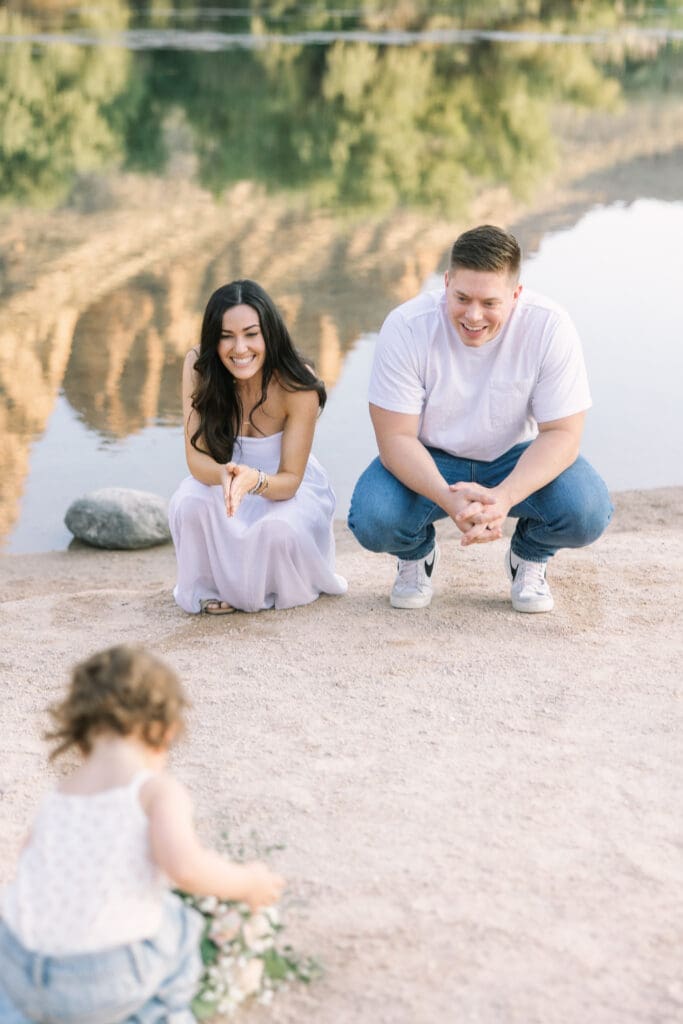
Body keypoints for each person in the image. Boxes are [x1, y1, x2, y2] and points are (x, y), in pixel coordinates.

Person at [0, 644, 284, 1023]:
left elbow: (29, 863)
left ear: (79, 733)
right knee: (178, 922)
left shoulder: (60, 794)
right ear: (165, 731)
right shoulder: (154, 791)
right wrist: (249, 883)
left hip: (17, 965)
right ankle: (165, 1014)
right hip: (101, 976)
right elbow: (186, 868)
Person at [348, 224, 613, 613]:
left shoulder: (549, 326)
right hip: (430, 456)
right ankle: (416, 554)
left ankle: (529, 555)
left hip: (515, 457)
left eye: (490, 302)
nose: (473, 316)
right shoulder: (406, 326)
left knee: (587, 510)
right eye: (461, 298)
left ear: (515, 295)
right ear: (446, 282)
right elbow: (396, 439)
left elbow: (562, 434)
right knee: (373, 518)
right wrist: (447, 498)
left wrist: (504, 498)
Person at [169, 279, 347, 614]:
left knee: (277, 529)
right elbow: (196, 459)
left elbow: (290, 481)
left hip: (283, 486)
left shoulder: (298, 383)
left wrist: (255, 481)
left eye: (251, 334)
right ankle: (212, 588)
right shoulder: (199, 365)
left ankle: (253, 591)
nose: (239, 348)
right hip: (226, 476)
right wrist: (226, 476)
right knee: (188, 502)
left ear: (269, 333)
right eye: (226, 336)